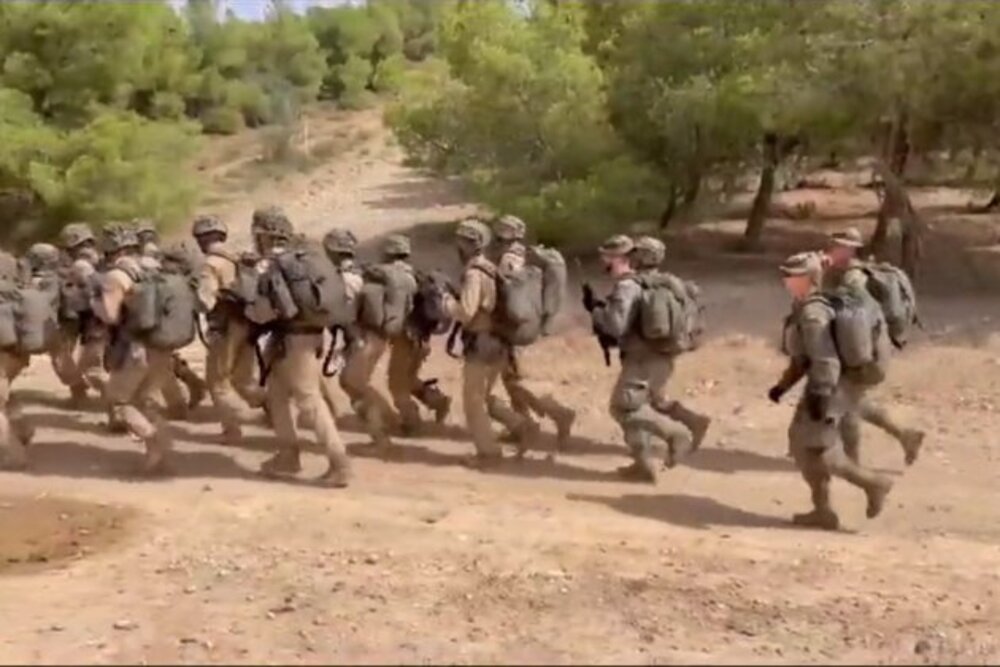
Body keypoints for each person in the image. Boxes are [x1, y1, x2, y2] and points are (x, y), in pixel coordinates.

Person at [772, 252, 893, 530]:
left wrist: (821, 395)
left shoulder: (814, 313)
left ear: (810, 278)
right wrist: (783, 386)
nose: (787, 281)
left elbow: (825, 359)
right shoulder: (809, 306)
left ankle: (874, 484)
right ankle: (822, 510)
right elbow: (803, 358)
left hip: (829, 388)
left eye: (793, 276)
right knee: (805, 447)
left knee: (818, 449)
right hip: (830, 386)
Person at [245, 206, 351, 487]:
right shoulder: (309, 257)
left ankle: (339, 462)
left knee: (309, 400)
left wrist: (249, 309)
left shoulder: (274, 265)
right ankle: (287, 455)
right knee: (278, 396)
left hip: (293, 340)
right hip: (309, 335)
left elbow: (265, 312)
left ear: (264, 235)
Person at [589, 235, 701, 483]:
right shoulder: (669, 284)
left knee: (623, 407)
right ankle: (643, 465)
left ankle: (676, 434)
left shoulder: (629, 286)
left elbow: (616, 326)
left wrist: (598, 312)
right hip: (663, 357)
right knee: (639, 408)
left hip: (643, 359)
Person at [812, 227, 925, 465]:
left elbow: (851, 322)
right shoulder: (838, 273)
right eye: (833, 243)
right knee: (853, 401)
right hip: (862, 350)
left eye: (839, 245)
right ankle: (906, 435)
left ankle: (853, 462)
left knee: (844, 403)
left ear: (851, 249)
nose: (831, 248)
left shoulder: (853, 281)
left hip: (865, 354)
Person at [444, 218, 533, 468]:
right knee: (486, 395)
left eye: (461, 241)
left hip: (481, 343)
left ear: (468, 244)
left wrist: (445, 303)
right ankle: (520, 425)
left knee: (473, 401)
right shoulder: (491, 268)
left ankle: (488, 453)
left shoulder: (474, 273)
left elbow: (465, 312)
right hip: (498, 342)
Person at [92, 225, 175, 475]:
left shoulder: (115, 276)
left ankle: (154, 443)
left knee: (120, 403)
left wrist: (93, 303)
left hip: (134, 348)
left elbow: (110, 316)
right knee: (144, 401)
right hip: (161, 346)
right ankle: (161, 450)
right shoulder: (153, 266)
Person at [490, 215, 574, 451]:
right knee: (511, 379)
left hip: (512, 325)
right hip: (517, 323)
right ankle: (523, 423)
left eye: (503, 229)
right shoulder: (523, 254)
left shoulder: (510, 258)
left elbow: (510, 295)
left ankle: (560, 414)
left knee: (517, 380)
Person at [192, 214, 265, 444]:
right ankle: (275, 408)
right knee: (244, 380)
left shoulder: (210, 264)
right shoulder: (240, 260)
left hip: (224, 328)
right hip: (249, 323)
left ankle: (232, 430)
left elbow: (205, 302)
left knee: (218, 382)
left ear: (201, 240)